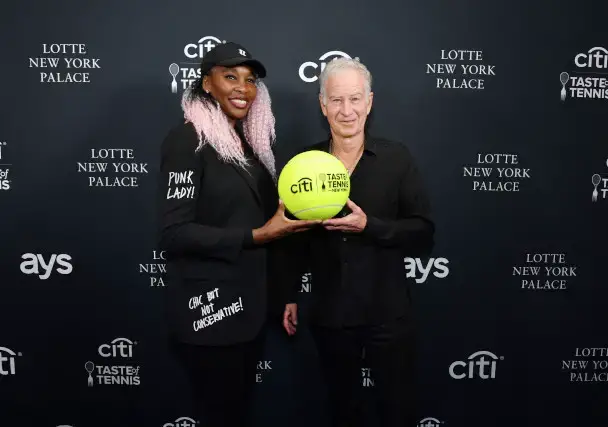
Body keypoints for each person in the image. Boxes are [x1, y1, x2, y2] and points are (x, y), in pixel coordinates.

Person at [157, 41, 318, 427]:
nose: (242, 89)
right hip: (209, 312)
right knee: (220, 413)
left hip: (250, 310)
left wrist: (284, 295)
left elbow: (271, 227)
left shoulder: (252, 147)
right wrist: (255, 237)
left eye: (249, 81)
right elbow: (174, 234)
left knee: (236, 411)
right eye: (230, 76)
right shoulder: (187, 141)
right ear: (206, 83)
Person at [280, 57, 435, 427]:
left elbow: (423, 232)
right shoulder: (304, 165)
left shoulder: (396, 159)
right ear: (322, 105)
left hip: (388, 313)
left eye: (354, 99)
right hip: (331, 313)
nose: (346, 111)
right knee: (342, 410)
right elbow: (292, 239)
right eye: (336, 100)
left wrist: (371, 226)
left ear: (369, 102)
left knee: (397, 410)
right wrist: (287, 293)